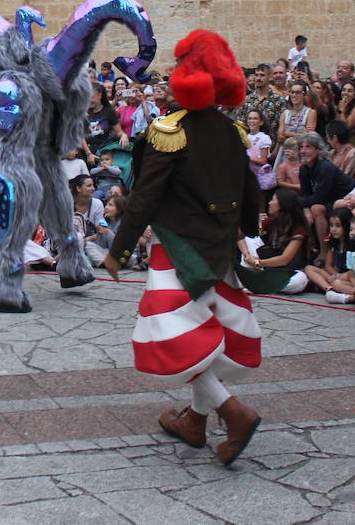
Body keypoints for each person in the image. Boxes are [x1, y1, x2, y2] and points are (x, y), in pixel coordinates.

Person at [101, 29, 267, 466]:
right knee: (203, 334)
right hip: (219, 250)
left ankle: (234, 413)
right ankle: (194, 421)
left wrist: (117, 251)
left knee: (173, 336)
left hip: (177, 251)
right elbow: (250, 193)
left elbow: (145, 197)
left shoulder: (167, 131)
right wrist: (243, 233)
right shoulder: (233, 132)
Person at [296, 132, 353, 263]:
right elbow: (306, 193)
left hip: (343, 199)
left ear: (318, 150)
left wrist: (299, 203)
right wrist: (304, 207)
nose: (304, 151)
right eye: (301, 147)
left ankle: (324, 252)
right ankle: (309, 249)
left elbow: (319, 198)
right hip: (328, 200)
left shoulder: (324, 167)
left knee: (316, 209)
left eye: (308, 147)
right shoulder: (304, 168)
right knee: (307, 210)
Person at [240, 188, 309, 293]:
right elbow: (240, 234)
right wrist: (246, 254)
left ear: (283, 204)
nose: (269, 203)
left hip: (286, 271)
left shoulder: (298, 228)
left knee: (300, 281)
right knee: (250, 237)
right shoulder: (272, 221)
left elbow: (284, 259)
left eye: (273, 200)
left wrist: (258, 263)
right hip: (265, 269)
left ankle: (256, 284)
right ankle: (258, 282)